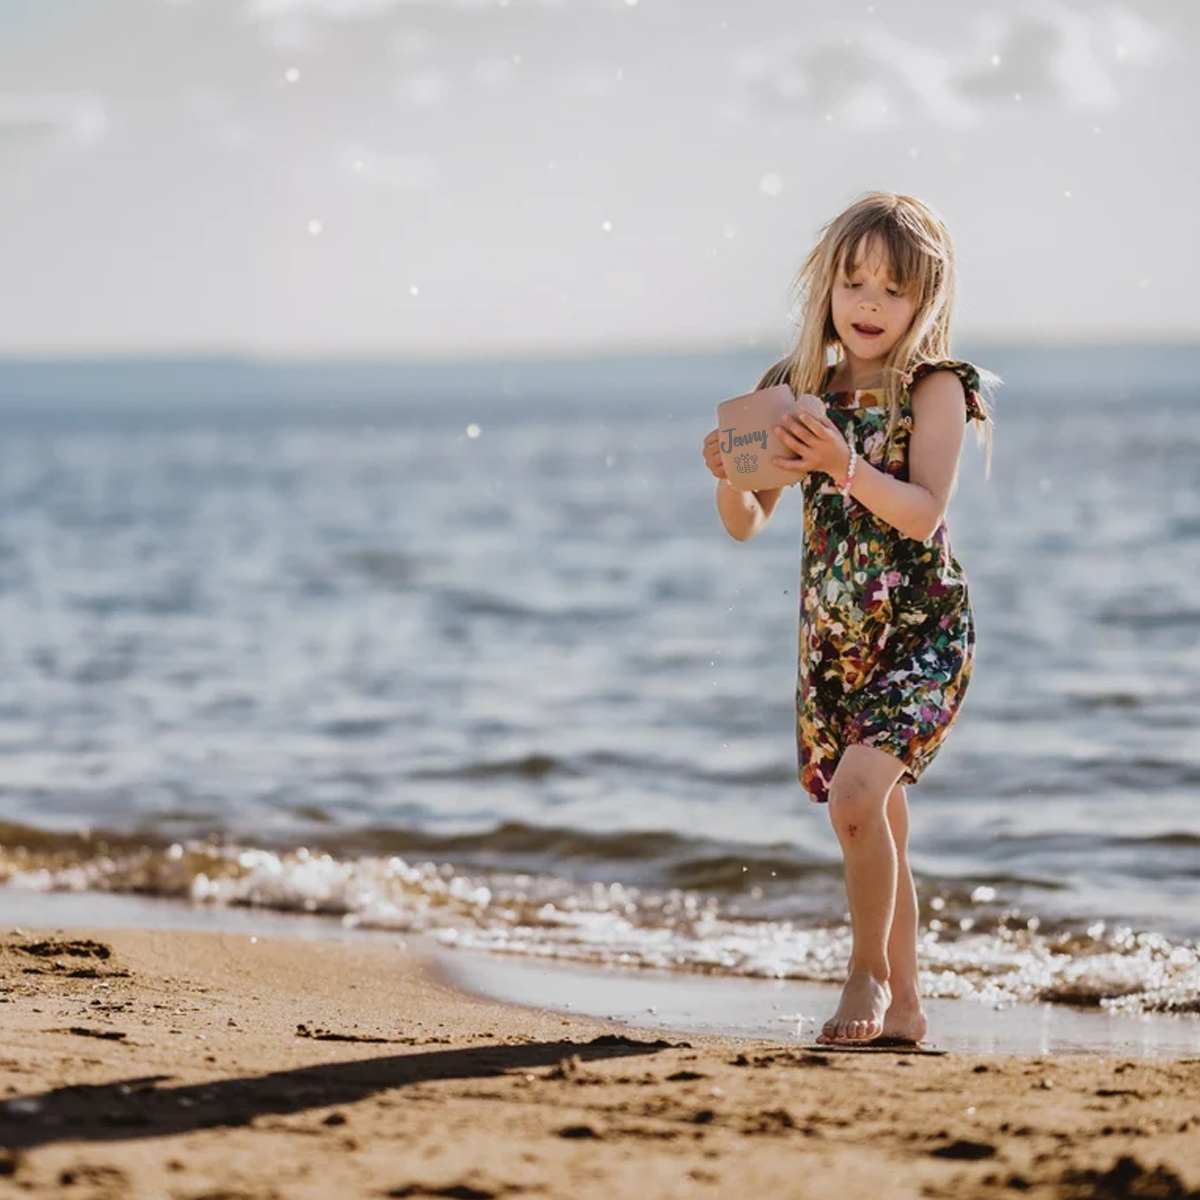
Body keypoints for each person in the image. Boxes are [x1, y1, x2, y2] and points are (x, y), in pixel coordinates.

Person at [701, 191, 999, 1047]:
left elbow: (923, 511)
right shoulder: (791, 390)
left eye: (893, 289)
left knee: (859, 804)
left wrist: (841, 464)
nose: (869, 304)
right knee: (880, 820)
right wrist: (728, 475)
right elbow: (746, 522)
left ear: (925, 300)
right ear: (826, 285)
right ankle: (905, 1007)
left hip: (922, 631)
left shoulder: (935, 389)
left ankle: (864, 970)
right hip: (834, 643)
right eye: (854, 281)